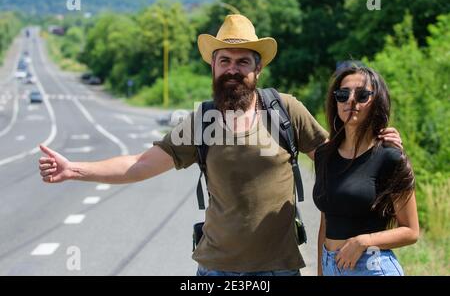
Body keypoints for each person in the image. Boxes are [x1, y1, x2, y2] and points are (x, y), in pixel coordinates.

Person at [38, 14, 402, 276]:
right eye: (224, 61)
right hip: (215, 271)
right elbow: (141, 164)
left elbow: (341, 161)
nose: (232, 69)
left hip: (280, 268)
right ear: (213, 67)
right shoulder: (202, 120)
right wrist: (75, 170)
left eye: (243, 62)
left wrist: (381, 144)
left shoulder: (284, 110)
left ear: (257, 70)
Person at [313, 64, 419, 276]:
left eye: (362, 95)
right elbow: (326, 219)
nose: (350, 100)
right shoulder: (324, 155)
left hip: (370, 267)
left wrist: (364, 241)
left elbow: (411, 231)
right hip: (330, 265)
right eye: (343, 94)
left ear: (376, 102)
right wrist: (321, 271)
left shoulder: (389, 156)